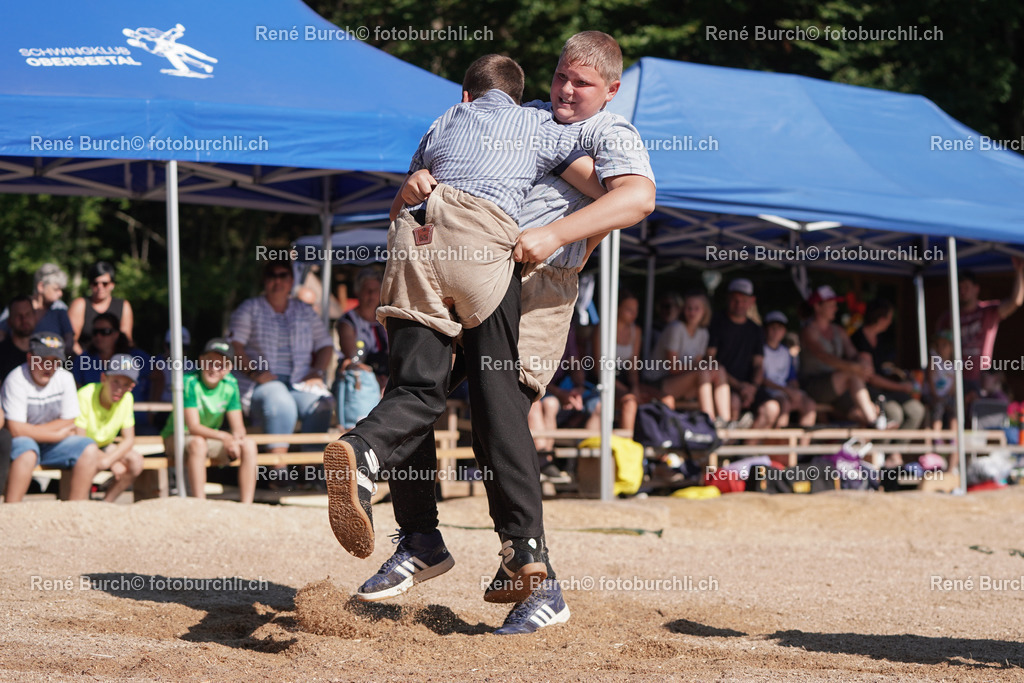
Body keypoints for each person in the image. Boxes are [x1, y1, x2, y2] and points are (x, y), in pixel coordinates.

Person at [351, 34, 655, 636]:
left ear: (611, 91)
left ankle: (538, 579)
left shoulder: (611, 132)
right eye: (562, 77)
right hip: (477, 269)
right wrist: (414, 186)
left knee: (499, 420)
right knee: (413, 393)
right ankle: (419, 539)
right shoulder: (527, 117)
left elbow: (637, 196)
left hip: (539, 286)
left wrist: (562, 235)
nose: (567, 91)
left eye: (583, 84)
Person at [227, 260, 335, 454]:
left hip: (298, 382)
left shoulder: (305, 310)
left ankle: (309, 474)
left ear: (292, 280)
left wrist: (317, 372)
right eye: (272, 275)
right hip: (258, 383)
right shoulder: (249, 308)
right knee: (280, 400)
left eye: (283, 275)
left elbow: (326, 345)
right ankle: (280, 473)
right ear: (264, 280)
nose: (277, 281)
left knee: (322, 402)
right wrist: (253, 372)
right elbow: (234, 347)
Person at [3, 332, 100, 502]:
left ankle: (76, 512)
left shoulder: (65, 377)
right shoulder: (16, 379)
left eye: (55, 361)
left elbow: (69, 420)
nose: (49, 366)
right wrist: (55, 435)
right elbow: (15, 429)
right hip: (27, 443)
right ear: (29, 358)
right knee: (27, 451)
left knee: (89, 448)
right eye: (42, 360)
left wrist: (32, 430)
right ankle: (11, 512)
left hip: (53, 444)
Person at [162, 338, 257, 503]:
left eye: (221, 364)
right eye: (210, 362)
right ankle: (200, 503)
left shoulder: (230, 384)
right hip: (178, 437)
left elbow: (238, 426)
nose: (214, 368)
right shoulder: (189, 382)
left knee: (249, 444)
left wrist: (235, 440)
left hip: (210, 439)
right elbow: (193, 427)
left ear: (229, 369)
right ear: (201, 361)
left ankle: (246, 505)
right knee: (197, 443)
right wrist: (226, 438)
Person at [936, 258, 1024, 403]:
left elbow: (1015, 302)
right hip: (955, 378)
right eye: (959, 288)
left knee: (980, 417)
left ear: (976, 288)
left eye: (966, 287)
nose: (962, 291)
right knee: (953, 417)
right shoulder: (948, 317)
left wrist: (1019, 272)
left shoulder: (988, 311)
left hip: (981, 378)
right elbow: (938, 350)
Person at [798, 285, 879, 426]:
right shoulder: (808, 331)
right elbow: (824, 356)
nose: (835, 308)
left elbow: (853, 353)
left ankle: (874, 424)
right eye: (831, 305)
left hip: (837, 388)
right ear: (817, 306)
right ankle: (875, 422)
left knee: (864, 412)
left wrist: (863, 362)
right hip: (813, 387)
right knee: (851, 374)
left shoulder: (838, 330)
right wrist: (854, 367)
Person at [650, 291, 731, 425]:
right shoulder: (675, 328)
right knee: (704, 371)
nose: (692, 312)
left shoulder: (703, 333)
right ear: (683, 310)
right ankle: (709, 422)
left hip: (683, 382)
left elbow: (696, 365)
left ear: (704, 311)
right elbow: (673, 368)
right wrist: (702, 367)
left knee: (718, 370)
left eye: (696, 308)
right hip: (657, 382)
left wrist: (705, 367)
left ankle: (725, 421)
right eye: (689, 308)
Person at [706, 279, 779, 429]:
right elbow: (710, 360)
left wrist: (752, 388)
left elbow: (759, 364)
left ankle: (749, 450)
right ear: (728, 299)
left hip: (748, 387)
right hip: (723, 384)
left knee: (772, 408)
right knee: (733, 402)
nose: (739, 304)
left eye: (743, 300)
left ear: (752, 301)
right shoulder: (716, 323)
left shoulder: (756, 330)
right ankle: (728, 449)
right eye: (735, 300)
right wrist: (739, 386)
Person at [74, 354, 143, 502]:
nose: (119, 389)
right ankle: (82, 503)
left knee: (136, 462)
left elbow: (129, 439)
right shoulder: (85, 395)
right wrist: (110, 461)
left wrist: (108, 460)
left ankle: (106, 505)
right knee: (89, 458)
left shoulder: (127, 399)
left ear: (132, 387)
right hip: (83, 448)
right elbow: (79, 440)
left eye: (126, 385)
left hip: (104, 447)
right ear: (103, 378)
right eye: (116, 382)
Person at [851, 299, 926, 430]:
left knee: (916, 410)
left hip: (886, 388)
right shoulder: (859, 339)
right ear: (880, 319)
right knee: (894, 414)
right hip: (867, 390)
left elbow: (883, 368)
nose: (891, 322)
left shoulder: (881, 338)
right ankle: (881, 449)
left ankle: (898, 449)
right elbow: (871, 378)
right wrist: (900, 387)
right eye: (889, 318)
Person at [0, 264, 74, 355]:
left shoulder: (60, 309)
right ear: (41, 286)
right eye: (56, 289)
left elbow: (69, 340)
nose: (60, 294)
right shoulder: (19, 305)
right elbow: (1, 333)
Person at [335, 267, 389, 392]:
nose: (372, 295)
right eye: (367, 290)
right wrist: (375, 379)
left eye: (375, 290)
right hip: (362, 378)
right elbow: (352, 357)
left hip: (385, 376)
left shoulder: (386, 319)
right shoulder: (348, 321)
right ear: (357, 291)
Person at [761, 311, 816, 428]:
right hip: (768, 392)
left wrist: (794, 391)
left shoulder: (786, 352)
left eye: (780, 328)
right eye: (772, 328)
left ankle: (803, 445)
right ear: (765, 329)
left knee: (809, 404)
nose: (776, 331)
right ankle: (780, 441)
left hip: (784, 390)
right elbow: (762, 379)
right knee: (784, 405)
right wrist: (787, 391)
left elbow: (792, 378)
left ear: (784, 331)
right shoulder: (760, 350)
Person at [68, 261, 134, 355]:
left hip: (116, 360)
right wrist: (85, 360)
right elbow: (70, 340)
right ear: (90, 285)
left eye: (105, 283)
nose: (100, 287)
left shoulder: (124, 306)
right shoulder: (80, 304)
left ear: (112, 285)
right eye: (95, 283)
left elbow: (127, 340)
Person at [0, 296, 37, 383]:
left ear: (35, 316)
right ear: (9, 321)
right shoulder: (1, 353)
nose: (24, 319)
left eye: (28, 314)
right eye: (18, 315)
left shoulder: (46, 352)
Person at [928, 330, 957, 432]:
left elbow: (955, 382)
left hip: (949, 396)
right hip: (935, 395)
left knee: (955, 407)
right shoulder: (934, 361)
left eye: (944, 345)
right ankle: (937, 435)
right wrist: (935, 394)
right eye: (938, 345)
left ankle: (954, 437)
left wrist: (949, 393)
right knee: (938, 408)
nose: (940, 348)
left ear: (952, 347)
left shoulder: (955, 363)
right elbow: (930, 379)